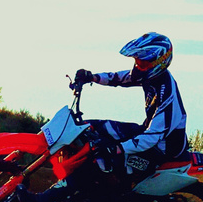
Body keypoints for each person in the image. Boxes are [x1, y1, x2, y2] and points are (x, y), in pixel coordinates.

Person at [74, 31, 188, 182]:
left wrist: (118, 148)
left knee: (112, 154)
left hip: (163, 147)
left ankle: (113, 191)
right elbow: (119, 78)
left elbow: (153, 136)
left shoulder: (167, 92)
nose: (137, 66)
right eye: (137, 61)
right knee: (90, 127)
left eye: (142, 63)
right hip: (148, 133)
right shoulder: (151, 76)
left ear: (159, 62)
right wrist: (92, 77)